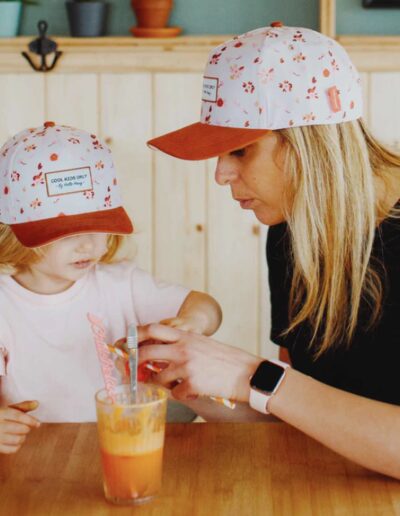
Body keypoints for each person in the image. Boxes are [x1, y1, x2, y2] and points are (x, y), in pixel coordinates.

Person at [139, 23, 400, 479]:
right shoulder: (290, 228)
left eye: (240, 151)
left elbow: (278, 388)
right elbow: (302, 419)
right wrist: (195, 382)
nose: (220, 174)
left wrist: (251, 375)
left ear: (308, 145)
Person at [0, 122, 222, 454]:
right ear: (15, 232)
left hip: (125, 450)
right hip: (35, 462)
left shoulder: (122, 284)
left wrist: (192, 323)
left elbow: (207, 307)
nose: (88, 245)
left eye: (99, 226)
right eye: (67, 232)